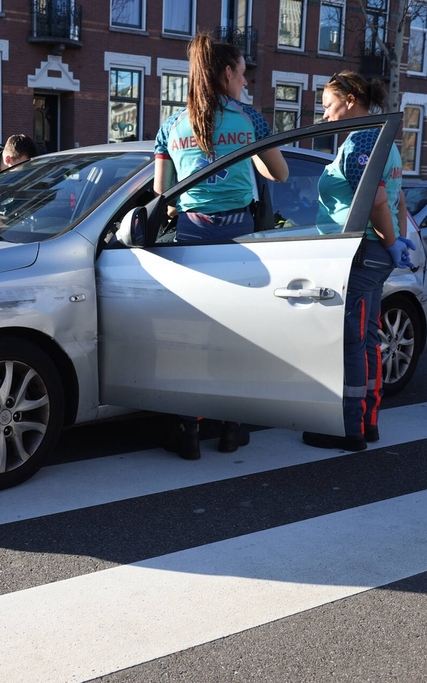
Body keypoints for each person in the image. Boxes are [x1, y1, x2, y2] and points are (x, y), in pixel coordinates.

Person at [153, 32, 290, 459]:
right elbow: (280, 174)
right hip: (239, 238)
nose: (246, 82)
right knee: (237, 332)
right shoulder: (250, 121)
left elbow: (162, 192)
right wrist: (248, 157)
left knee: (193, 336)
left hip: (191, 238)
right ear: (227, 73)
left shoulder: (171, 127)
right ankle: (232, 428)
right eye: (243, 74)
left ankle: (189, 431)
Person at [300, 71, 412, 453]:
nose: (325, 114)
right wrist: (397, 242)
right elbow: (397, 199)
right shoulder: (384, 137)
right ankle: (368, 420)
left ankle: (349, 428)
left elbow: (377, 201)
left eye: (328, 105)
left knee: (351, 341)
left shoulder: (362, 138)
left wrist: (391, 242)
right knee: (367, 339)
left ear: (350, 100)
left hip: (361, 253)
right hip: (375, 252)